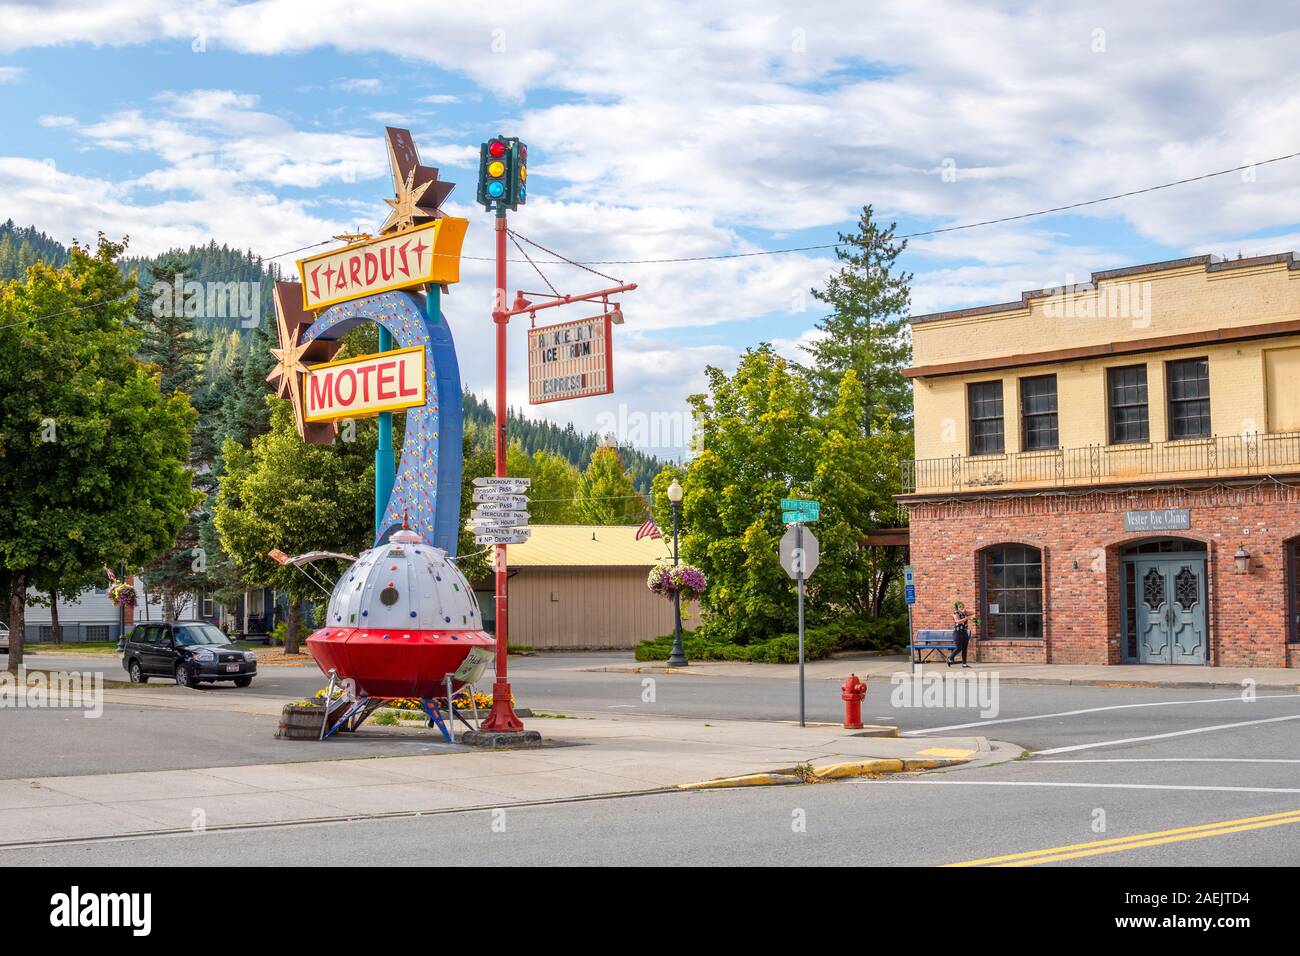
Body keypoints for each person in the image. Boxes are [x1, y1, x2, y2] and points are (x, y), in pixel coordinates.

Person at [948, 601, 973, 668]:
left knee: (965, 648)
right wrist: (966, 618)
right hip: (958, 633)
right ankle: (950, 658)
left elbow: (973, 612)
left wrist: (966, 612)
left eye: (962, 605)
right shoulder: (955, 613)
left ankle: (964, 664)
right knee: (959, 648)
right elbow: (958, 621)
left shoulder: (964, 612)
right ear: (957, 607)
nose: (961, 607)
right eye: (959, 606)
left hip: (964, 632)